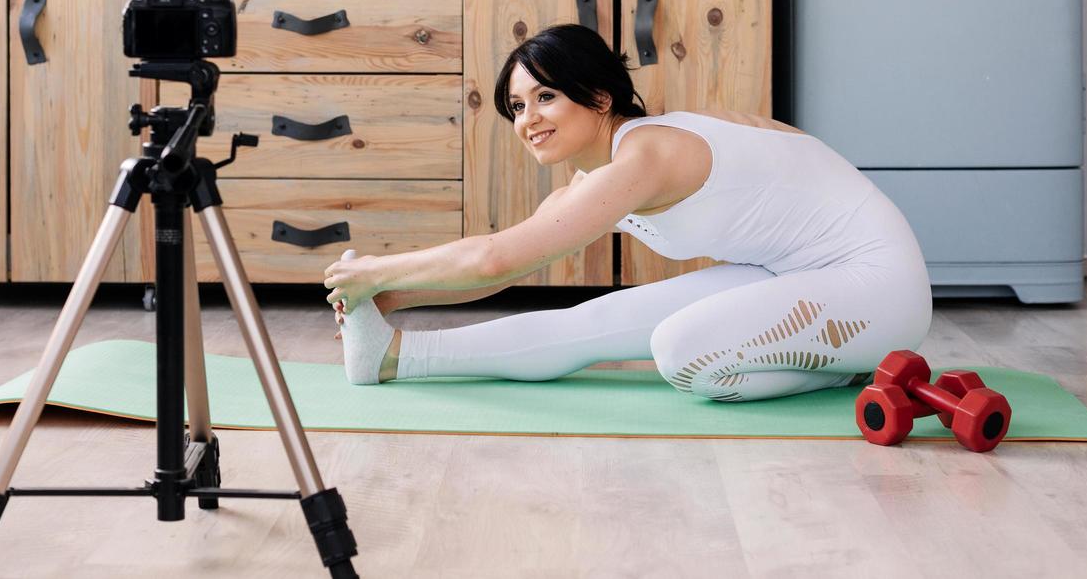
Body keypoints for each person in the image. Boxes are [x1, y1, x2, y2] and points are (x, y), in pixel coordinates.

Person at [323, 24, 932, 402]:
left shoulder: (646, 156)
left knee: (683, 354)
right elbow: (505, 266)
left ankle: (845, 366)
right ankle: (394, 358)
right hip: (791, 276)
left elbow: (492, 255)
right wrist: (393, 296)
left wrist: (376, 269)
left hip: (878, 286)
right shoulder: (602, 177)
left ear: (599, 97)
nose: (527, 119)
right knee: (593, 320)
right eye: (515, 106)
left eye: (545, 96)